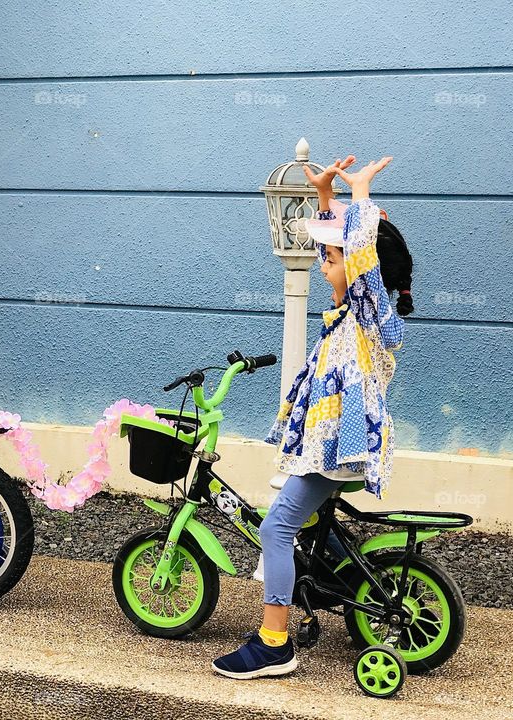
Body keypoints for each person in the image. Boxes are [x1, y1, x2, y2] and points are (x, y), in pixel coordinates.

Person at [212, 155, 414, 678]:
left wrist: (362, 194)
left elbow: (360, 255)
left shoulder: (372, 314)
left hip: (337, 454)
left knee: (276, 528)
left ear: (362, 268)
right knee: (298, 527)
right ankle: (318, 591)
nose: (324, 261)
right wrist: (326, 198)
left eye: (330, 257)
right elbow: (348, 250)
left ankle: (273, 642)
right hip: (330, 451)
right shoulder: (349, 312)